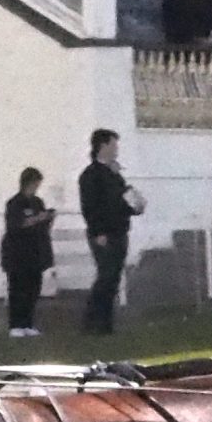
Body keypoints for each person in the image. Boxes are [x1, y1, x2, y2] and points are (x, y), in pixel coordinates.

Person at [78, 128, 141, 334]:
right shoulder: (91, 175)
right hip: (104, 234)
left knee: (113, 278)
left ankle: (105, 323)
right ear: (103, 146)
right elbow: (90, 207)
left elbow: (121, 202)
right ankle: (92, 320)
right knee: (106, 276)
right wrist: (98, 232)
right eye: (113, 145)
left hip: (119, 231)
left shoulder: (115, 175)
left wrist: (135, 207)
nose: (116, 149)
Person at [0, 166, 55, 338]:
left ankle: (28, 322)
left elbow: (43, 226)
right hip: (17, 252)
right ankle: (15, 324)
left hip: (35, 251)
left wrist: (48, 218)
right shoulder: (14, 203)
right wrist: (36, 219)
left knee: (33, 288)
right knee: (17, 289)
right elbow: (15, 226)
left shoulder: (38, 202)